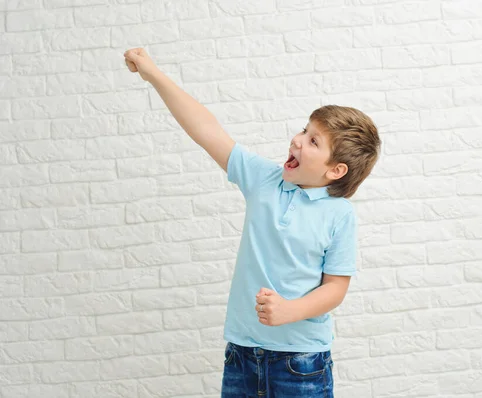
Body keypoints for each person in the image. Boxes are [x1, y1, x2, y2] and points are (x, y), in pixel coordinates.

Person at [124, 48, 381, 397]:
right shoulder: (265, 180)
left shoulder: (339, 214)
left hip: (301, 363)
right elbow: (206, 130)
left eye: (313, 141)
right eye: (304, 130)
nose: (297, 140)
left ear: (335, 171)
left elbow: (335, 287)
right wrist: (153, 74)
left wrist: (290, 310)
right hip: (241, 356)